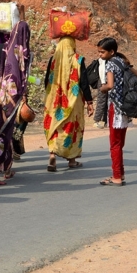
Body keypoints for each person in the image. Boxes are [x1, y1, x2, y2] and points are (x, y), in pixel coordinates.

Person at [43, 36, 94, 172]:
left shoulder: (53, 59)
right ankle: (72, 160)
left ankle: (52, 155)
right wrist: (89, 102)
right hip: (73, 100)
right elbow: (84, 82)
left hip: (54, 100)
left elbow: (46, 80)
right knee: (72, 128)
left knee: (55, 125)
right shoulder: (78, 59)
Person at [0, 16, 31, 185]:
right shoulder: (22, 53)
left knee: (2, 133)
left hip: (1, 97)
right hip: (12, 100)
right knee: (4, 135)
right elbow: (22, 76)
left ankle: (6, 169)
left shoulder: (5, 48)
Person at [97, 37, 137, 186]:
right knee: (119, 143)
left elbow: (109, 85)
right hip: (126, 107)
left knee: (114, 144)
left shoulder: (110, 64)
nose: (100, 55)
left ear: (111, 51)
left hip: (115, 107)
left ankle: (116, 176)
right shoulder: (123, 62)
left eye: (102, 52)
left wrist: (101, 89)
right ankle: (119, 173)